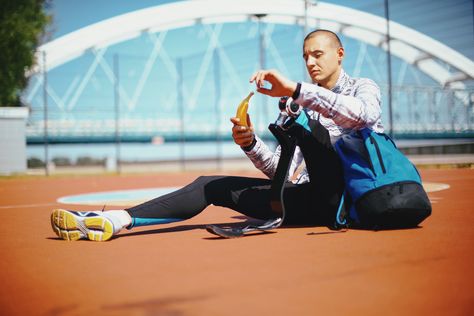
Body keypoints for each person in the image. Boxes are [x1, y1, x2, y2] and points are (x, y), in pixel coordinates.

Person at [50, 29, 384, 241]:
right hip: (305, 198)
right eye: (305, 56)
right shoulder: (296, 104)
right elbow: (284, 173)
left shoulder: (360, 87)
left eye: (318, 54)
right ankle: (115, 220)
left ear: (340, 54)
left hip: (345, 197)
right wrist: (251, 145)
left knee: (320, 139)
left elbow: (365, 115)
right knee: (209, 184)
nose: (310, 62)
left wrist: (300, 91)